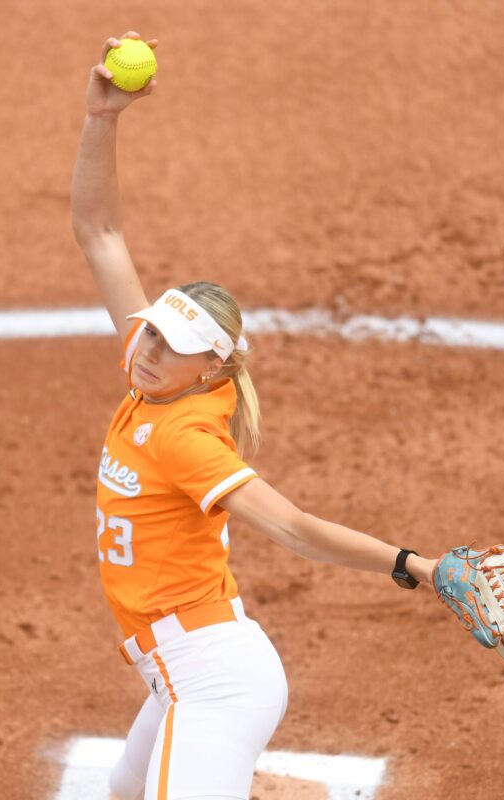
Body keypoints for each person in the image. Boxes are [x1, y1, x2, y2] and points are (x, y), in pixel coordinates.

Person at [71, 33, 443, 800]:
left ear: (209, 365)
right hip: (181, 674)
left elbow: (296, 529)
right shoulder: (155, 376)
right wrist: (103, 120)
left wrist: (416, 566)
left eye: (172, 346)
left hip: (216, 684)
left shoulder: (186, 437)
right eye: (152, 332)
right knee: (125, 792)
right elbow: (100, 234)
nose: (147, 350)